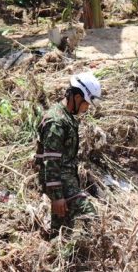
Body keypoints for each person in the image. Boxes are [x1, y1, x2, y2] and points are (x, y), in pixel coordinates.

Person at [36, 72, 101, 237]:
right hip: (60, 183)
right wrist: (57, 197)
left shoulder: (66, 117)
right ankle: (69, 254)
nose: (86, 109)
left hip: (67, 180)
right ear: (77, 98)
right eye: (86, 104)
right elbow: (50, 161)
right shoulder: (56, 122)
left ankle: (58, 254)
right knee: (90, 217)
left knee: (61, 230)